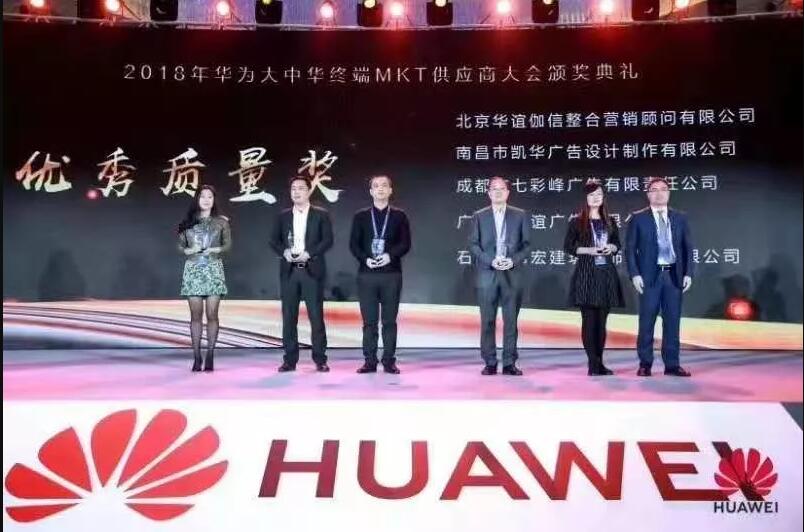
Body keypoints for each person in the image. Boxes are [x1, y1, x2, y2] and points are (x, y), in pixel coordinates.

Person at [625, 177, 694, 377]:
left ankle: (672, 364)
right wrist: (635, 274)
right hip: (649, 277)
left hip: (673, 276)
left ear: (669, 193)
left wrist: (688, 273)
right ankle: (645, 363)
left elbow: (688, 248)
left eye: (663, 189)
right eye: (654, 190)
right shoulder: (638, 218)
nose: (659, 193)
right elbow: (630, 249)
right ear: (648, 195)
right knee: (647, 322)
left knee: (672, 322)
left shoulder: (680, 218)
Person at [269, 176, 333, 372]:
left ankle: (320, 359)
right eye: (293, 189)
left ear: (309, 191)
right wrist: (284, 252)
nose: (296, 192)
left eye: (301, 188)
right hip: (289, 272)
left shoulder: (320, 215)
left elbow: (327, 240)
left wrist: (309, 253)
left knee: (316, 317)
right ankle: (289, 360)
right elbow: (273, 241)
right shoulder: (283, 216)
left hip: (311, 271)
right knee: (289, 318)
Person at [468, 176, 531, 376]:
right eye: (494, 189)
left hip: (512, 273)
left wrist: (512, 261)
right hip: (487, 274)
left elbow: (527, 245)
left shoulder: (520, 215)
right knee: (487, 321)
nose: (497, 192)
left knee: (510, 322)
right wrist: (490, 260)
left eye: (501, 189)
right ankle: (490, 362)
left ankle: (509, 362)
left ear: (507, 192)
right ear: (488, 193)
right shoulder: (479, 216)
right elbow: (473, 245)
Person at [349, 175, 411, 374]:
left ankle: (389, 361)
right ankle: (369, 361)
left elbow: (405, 243)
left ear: (390, 190)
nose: (380, 189)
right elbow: (354, 245)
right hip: (367, 274)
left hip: (391, 274)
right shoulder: (361, 216)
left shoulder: (400, 216)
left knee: (389, 321)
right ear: (371, 192)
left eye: (384, 185)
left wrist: (389, 256)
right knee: (369, 322)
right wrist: (366, 259)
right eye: (376, 186)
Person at [563, 182, 624, 376]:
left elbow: (617, 244)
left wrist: (611, 248)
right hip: (586, 274)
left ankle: (600, 362)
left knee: (602, 322)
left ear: (603, 198)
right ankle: (593, 363)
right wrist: (590, 250)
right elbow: (569, 247)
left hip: (605, 274)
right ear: (586, 199)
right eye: (591, 195)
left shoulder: (610, 221)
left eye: (599, 194)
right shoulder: (577, 221)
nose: (595, 198)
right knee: (589, 321)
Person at [177, 185, 231, 372]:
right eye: (203, 197)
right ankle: (196, 356)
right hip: (193, 270)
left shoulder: (221, 222)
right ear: (197, 199)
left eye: (210, 197)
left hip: (213, 269)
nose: (206, 200)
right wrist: (188, 250)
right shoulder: (187, 222)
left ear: (214, 200)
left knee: (212, 315)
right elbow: (180, 246)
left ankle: (210, 354)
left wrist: (215, 249)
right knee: (195, 316)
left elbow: (227, 245)